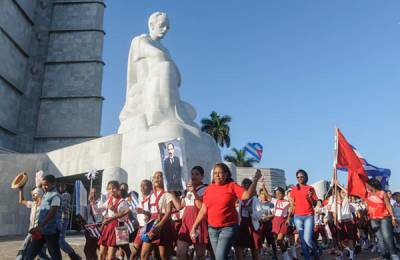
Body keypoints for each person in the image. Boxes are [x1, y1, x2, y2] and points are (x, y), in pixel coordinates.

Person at [190, 163, 262, 260]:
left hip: (228, 228)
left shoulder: (232, 186)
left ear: (226, 174)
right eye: (215, 173)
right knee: (219, 257)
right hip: (212, 229)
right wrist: (194, 226)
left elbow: (247, 195)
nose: (218, 175)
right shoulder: (209, 189)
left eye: (221, 173)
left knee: (220, 257)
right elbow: (203, 210)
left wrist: (255, 180)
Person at [174, 166, 209, 260]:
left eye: (197, 174)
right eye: (192, 174)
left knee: (200, 255)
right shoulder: (186, 191)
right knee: (180, 253)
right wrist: (171, 193)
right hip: (185, 224)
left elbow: (201, 207)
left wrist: (193, 191)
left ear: (202, 176)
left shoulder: (206, 189)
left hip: (199, 224)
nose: (194, 176)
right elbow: (179, 206)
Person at [26, 174, 62, 259]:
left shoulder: (55, 196)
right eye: (42, 185)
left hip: (51, 231)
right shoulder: (46, 194)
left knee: (54, 253)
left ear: (53, 184)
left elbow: (52, 213)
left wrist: (40, 226)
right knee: (31, 251)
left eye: (46, 185)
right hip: (41, 230)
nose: (44, 187)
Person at [92, 180, 130, 260]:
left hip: (119, 228)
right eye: (109, 189)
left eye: (114, 188)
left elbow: (124, 218)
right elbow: (97, 211)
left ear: (118, 189)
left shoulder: (123, 202)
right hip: (108, 227)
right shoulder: (109, 200)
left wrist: (113, 210)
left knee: (112, 256)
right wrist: (92, 202)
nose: (111, 190)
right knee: (101, 255)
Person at [140, 171, 174, 260]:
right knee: (144, 255)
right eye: (155, 177)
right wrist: (145, 215)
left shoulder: (167, 194)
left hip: (163, 223)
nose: (157, 178)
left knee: (163, 256)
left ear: (164, 180)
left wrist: (160, 224)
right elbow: (151, 213)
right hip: (152, 224)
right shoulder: (151, 196)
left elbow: (169, 211)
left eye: (160, 177)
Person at [364, 178, 399, 259]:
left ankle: (394, 255)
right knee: (379, 239)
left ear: (372, 185)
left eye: (367, 185)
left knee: (387, 237)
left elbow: (388, 205)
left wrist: (393, 217)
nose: (366, 186)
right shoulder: (367, 195)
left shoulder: (382, 193)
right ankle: (385, 256)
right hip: (373, 219)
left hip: (385, 218)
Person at [289, 169, 319, 260]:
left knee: (307, 239)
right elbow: (292, 205)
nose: (299, 178)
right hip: (297, 217)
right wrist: (289, 217)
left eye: (302, 176)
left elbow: (314, 204)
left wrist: (310, 197)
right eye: (298, 177)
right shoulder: (294, 189)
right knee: (302, 241)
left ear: (306, 177)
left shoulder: (310, 188)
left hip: (308, 216)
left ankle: (316, 254)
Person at [16, 186, 50, 260]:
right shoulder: (33, 204)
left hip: (40, 233)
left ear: (39, 194)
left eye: (34, 194)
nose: (32, 196)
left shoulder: (45, 206)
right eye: (32, 194)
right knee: (33, 251)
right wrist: (21, 189)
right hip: (31, 232)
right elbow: (21, 201)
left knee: (33, 251)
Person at [234, 178, 263, 260]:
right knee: (238, 248)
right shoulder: (240, 200)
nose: (244, 189)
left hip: (252, 226)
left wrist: (251, 211)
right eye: (243, 187)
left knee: (255, 251)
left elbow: (259, 216)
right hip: (242, 226)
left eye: (246, 188)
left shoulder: (255, 200)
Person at [130, 180, 153, 260]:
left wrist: (144, 213)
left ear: (151, 187)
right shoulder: (140, 200)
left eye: (145, 185)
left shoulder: (152, 198)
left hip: (150, 228)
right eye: (141, 185)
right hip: (141, 228)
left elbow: (154, 214)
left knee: (145, 255)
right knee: (134, 252)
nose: (142, 187)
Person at [58, 183, 81, 260]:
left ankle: (74, 256)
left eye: (62, 186)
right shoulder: (61, 195)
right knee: (59, 240)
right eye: (60, 187)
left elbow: (63, 206)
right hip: (61, 218)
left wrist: (56, 208)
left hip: (63, 218)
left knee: (60, 240)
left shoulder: (66, 195)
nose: (60, 188)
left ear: (65, 187)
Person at [258, 187, 278, 259]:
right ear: (259, 195)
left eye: (265, 194)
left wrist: (267, 217)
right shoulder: (257, 203)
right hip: (260, 225)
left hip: (269, 225)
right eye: (262, 194)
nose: (264, 195)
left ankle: (275, 255)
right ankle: (260, 255)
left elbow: (273, 214)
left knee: (272, 241)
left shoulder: (271, 204)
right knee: (260, 241)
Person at [85, 187, 103, 260]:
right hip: (88, 227)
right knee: (92, 249)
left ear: (99, 194)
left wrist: (93, 203)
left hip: (96, 227)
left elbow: (98, 213)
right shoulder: (88, 203)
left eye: (95, 192)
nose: (93, 194)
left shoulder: (100, 202)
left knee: (88, 249)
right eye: (92, 193)